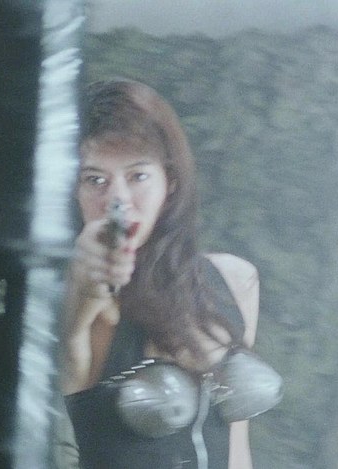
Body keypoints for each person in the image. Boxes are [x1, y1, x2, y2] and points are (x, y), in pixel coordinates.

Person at [58, 78, 280, 469]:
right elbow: (62, 360)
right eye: (95, 180)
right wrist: (82, 286)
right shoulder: (74, 301)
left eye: (137, 176)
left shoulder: (232, 280)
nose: (118, 199)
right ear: (73, 191)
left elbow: (236, 447)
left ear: (170, 182)